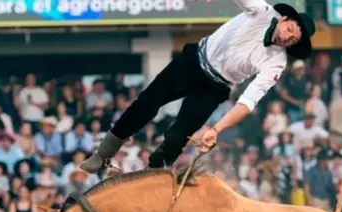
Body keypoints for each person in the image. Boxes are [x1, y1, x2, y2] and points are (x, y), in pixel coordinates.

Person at [79, 0, 316, 174]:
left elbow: (248, 102)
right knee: (148, 102)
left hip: (215, 87)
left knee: (178, 136)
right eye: (290, 30)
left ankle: (150, 175)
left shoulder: (277, 63)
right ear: (284, 19)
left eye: (293, 40)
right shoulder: (263, 11)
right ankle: (103, 154)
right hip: (193, 61)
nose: (287, 37)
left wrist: (216, 129)